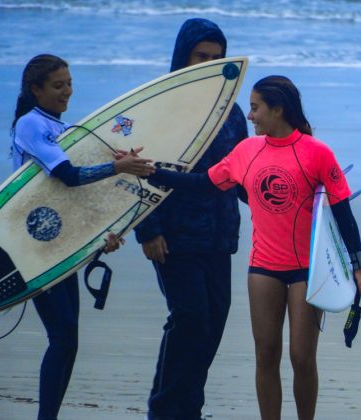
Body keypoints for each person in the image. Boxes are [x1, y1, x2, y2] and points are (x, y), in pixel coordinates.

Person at [134, 75, 361, 420]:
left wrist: (357, 265)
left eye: (256, 108)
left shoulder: (316, 152)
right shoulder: (246, 152)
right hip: (265, 266)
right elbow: (202, 184)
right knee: (266, 353)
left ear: (278, 109)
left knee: (302, 357)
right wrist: (153, 172)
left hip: (308, 268)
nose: (250, 115)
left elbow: (343, 210)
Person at [10, 54, 154, 420]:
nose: (67, 92)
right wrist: (116, 167)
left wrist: (104, 233)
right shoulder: (30, 125)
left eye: (70, 83)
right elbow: (69, 176)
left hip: (61, 241)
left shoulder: (63, 129)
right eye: (58, 85)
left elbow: (76, 198)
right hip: (36, 244)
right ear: (35, 89)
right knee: (62, 336)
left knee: (67, 339)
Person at [132, 18, 248, 420]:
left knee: (213, 325)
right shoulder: (160, 106)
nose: (210, 64)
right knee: (190, 319)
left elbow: (245, 173)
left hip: (221, 236)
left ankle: (188, 409)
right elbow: (137, 171)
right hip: (175, 235)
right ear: (183, 58)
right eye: (202, 57)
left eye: (218, 58)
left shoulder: (231, 112)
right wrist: (147, 229)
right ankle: (163, 410)